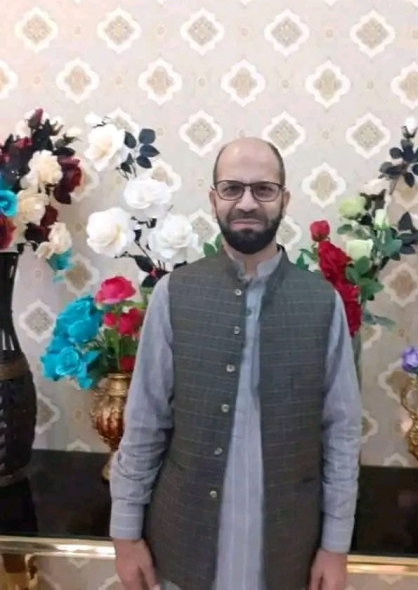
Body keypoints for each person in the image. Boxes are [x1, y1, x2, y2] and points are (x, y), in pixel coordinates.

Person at [110, 137, 362, 590]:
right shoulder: (174, 294)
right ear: (213, 199)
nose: (247, 202)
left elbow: (341, 433)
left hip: (290, 550)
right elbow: (145, 421)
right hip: (182, 544)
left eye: (263, 189)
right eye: (232, 188)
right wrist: (125, 534)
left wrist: (335, 546)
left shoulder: (322, 303)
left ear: (285, 199)